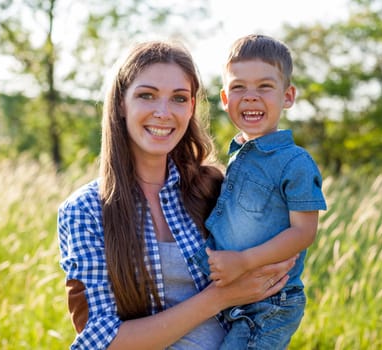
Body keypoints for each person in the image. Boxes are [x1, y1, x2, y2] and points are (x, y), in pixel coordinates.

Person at [57, 40, 295, 349]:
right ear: (121, 103)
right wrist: (220, 296)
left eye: (179, 98)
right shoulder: (86, 210)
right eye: (147, 95)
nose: (163, 112)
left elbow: (274, 273)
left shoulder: (215, 188)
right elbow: (101, 341)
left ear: (192, 107)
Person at [191, 34, 327, 349]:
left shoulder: (295, 162)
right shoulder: (239, 154)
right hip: (236, 294)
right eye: (239, 87)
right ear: (225, 99)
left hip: (270, 301)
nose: (251, 97)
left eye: (265, 87)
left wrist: (243, 261)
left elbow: (304, 232)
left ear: (288, 96)